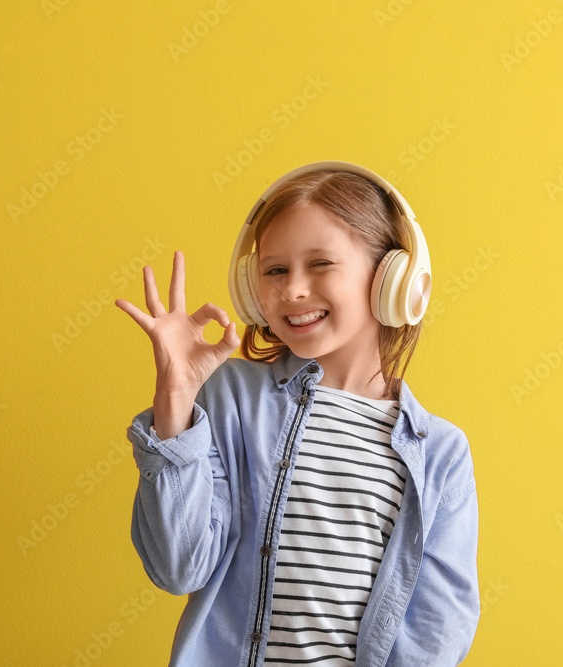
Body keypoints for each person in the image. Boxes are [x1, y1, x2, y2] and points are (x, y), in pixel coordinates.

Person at [115, 161, 479, 666]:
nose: (292, 290)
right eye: (275, 269)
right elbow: (179, 568)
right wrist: (175, 400)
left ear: (392, 279)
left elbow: (438, 628)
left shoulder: (440, 454)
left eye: (321, 264)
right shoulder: (230, 399)